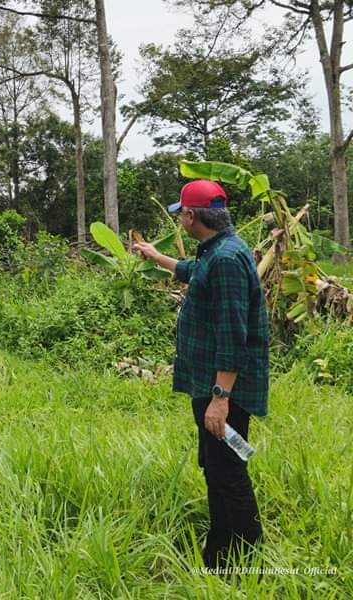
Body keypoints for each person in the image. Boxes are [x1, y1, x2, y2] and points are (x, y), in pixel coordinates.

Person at [135, 179, 269, 571]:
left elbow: (232, 335)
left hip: (224, 388)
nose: (181, 221)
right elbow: (194, 271)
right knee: (216, 467)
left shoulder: (226, 259)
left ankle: (247, 560)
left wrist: (219, 398)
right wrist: (154, 255)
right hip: (213, 384)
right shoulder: (218, 250)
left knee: (228, 472)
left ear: (192, 216)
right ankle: (218, 553)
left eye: (182, 215)